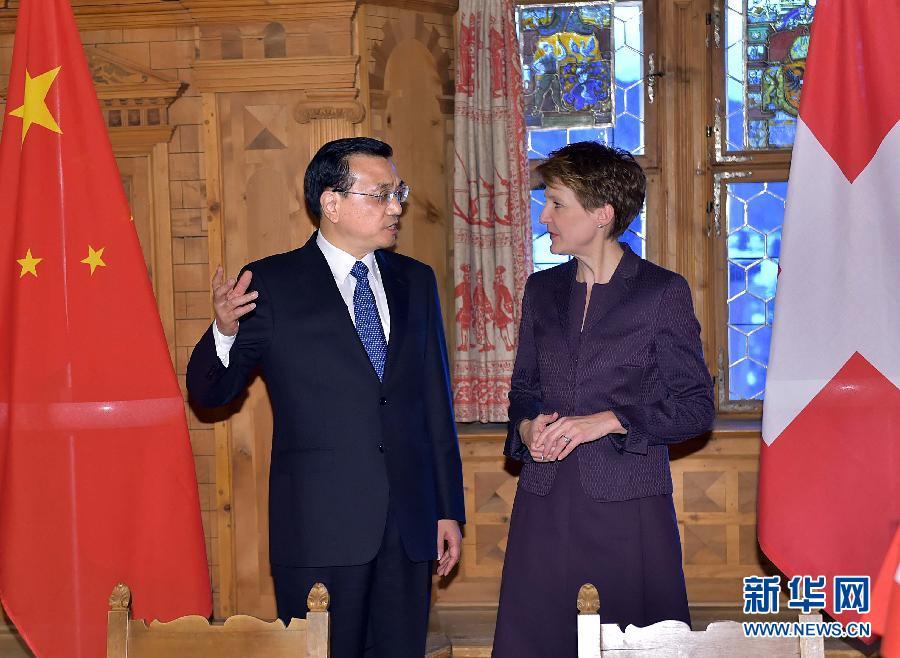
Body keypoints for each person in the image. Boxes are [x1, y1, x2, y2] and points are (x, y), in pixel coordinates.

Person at [186, 137, 465, 658]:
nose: (396, 207)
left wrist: (447, 508)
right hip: (319, 527)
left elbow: (434, 404)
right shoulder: (271, 283)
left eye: (398, 192)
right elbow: (210, 392)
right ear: (331, 203)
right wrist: (223, 331)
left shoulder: (416, 281)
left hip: (408, 526)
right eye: (381, 194)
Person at [492, 142, 714, 657]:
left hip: (627, 504)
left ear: (602, 214)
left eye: (556, 204)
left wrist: (610, 420)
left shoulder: (662, 292)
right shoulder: (540, 290)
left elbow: (695, 407)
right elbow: (523, 389)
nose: (544, 216)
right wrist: (526, 428)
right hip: (544, 500)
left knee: (629, 639)